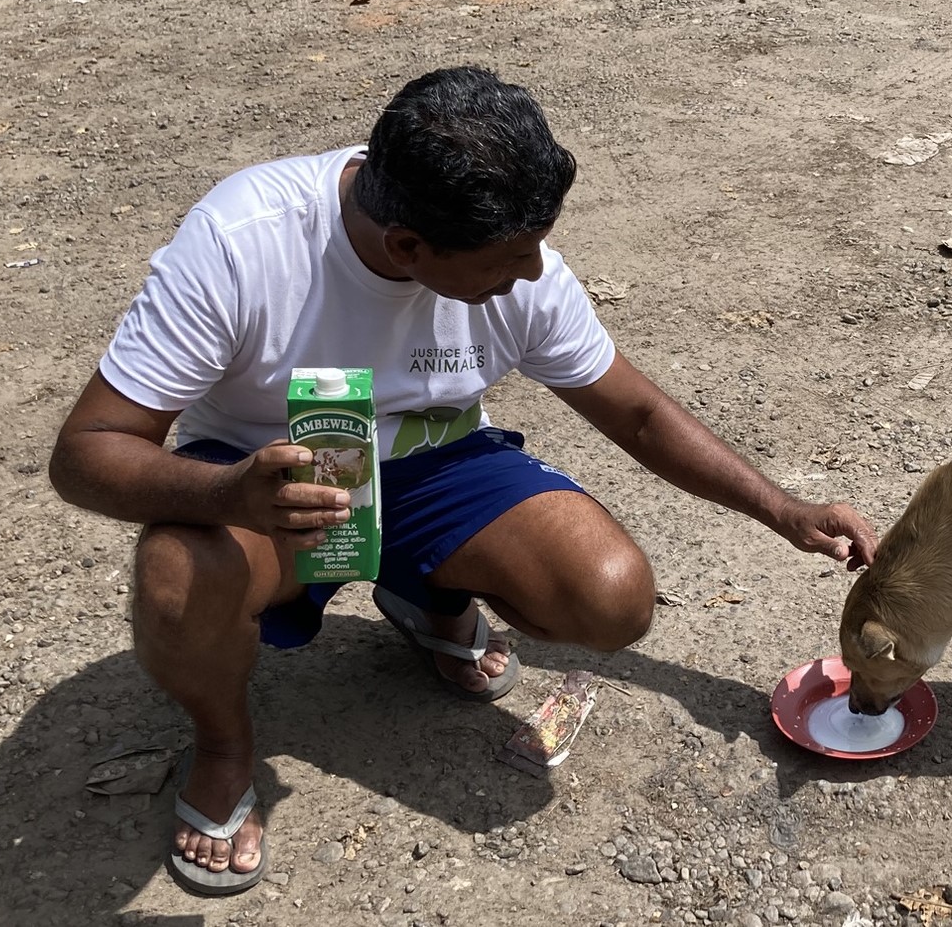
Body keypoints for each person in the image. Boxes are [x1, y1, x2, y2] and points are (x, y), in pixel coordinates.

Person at [47, 65, 878, 896]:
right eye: (507, 260)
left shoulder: (519, 266)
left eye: (533, 248)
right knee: (176, 578)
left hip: (434, 464)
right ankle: (225, 745)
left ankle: (428, 590)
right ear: (407, 248)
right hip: (265, 479)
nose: (528, 274)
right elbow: (88, 450)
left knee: (609, 596)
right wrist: (224, 497)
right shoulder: (244, 241)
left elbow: (638, 415)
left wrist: (781, 507)